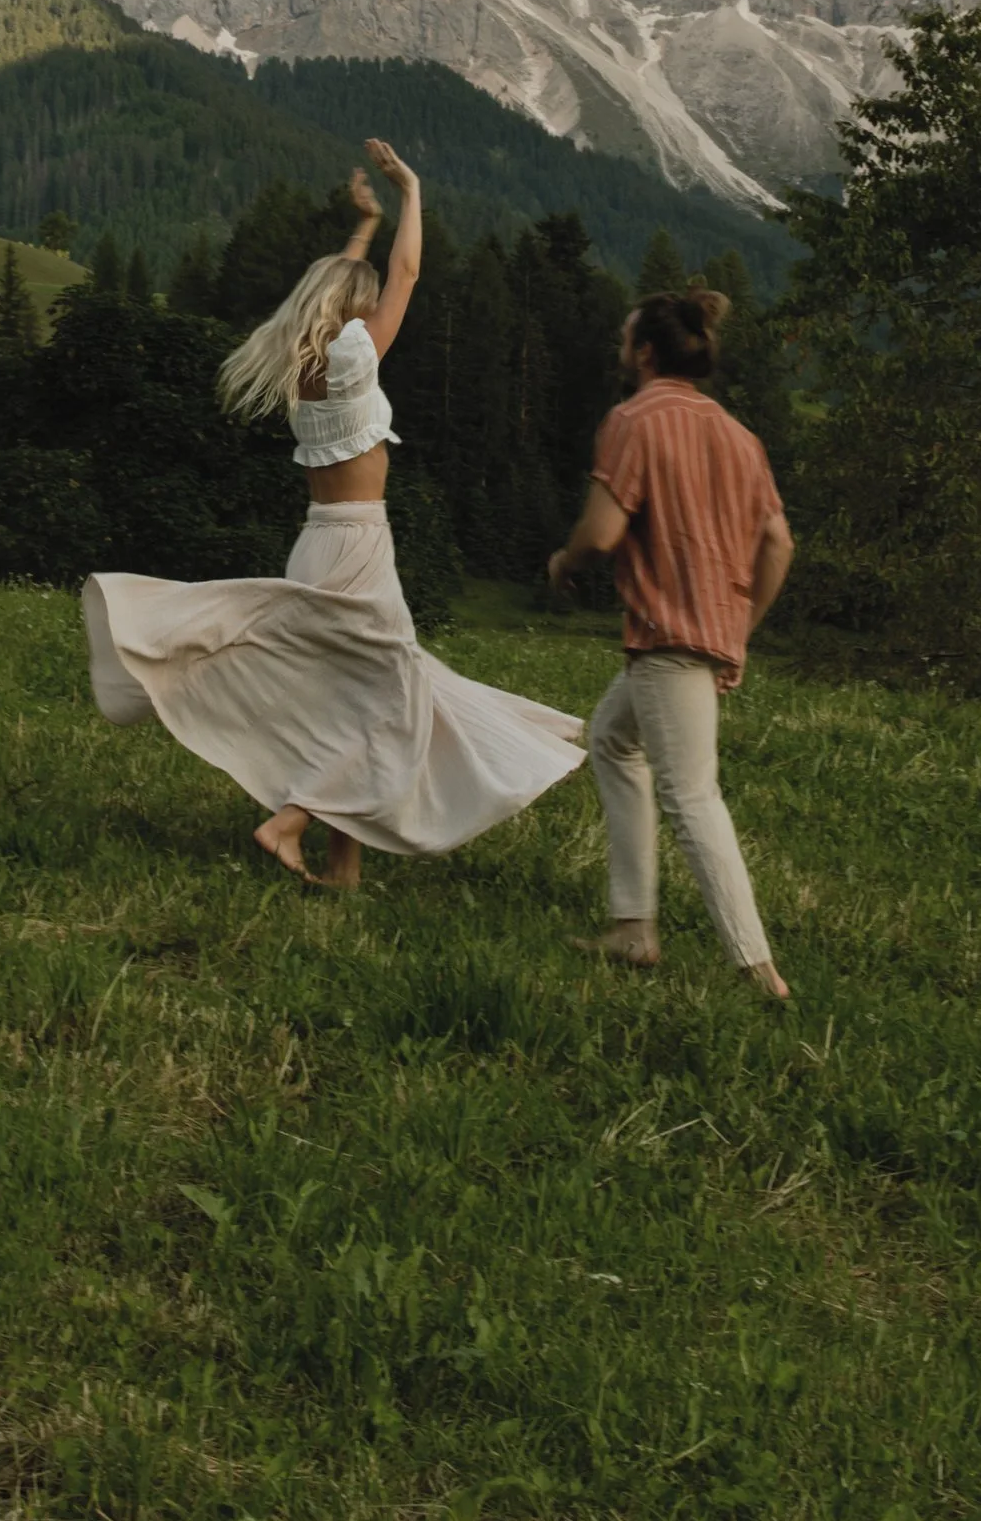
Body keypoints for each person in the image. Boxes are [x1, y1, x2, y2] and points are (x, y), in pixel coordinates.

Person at [83, 140, 585, 885]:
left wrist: (363, 228)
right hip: (358, 547)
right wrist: (411, 191)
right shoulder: (354, 358)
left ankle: (344, 872)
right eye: (364, 297)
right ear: (352, 314)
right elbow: (409, 275)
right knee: (392, 699)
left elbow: (335, 284)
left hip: (314, 544)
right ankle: (289, 824)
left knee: (346, 701)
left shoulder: (303, 364)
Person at [547, 290, 795, 1004]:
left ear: (645, 352)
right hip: (706, 635)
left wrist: (564, 564)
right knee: (612, 739)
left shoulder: (633, 419)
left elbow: (598, 536)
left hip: (667, 638)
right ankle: (632, 929)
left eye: (626, 340)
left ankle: (758, 972)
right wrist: (738, 630)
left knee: (691, 796)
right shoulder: (740, 436)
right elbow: (778, 543)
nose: (619, 351)